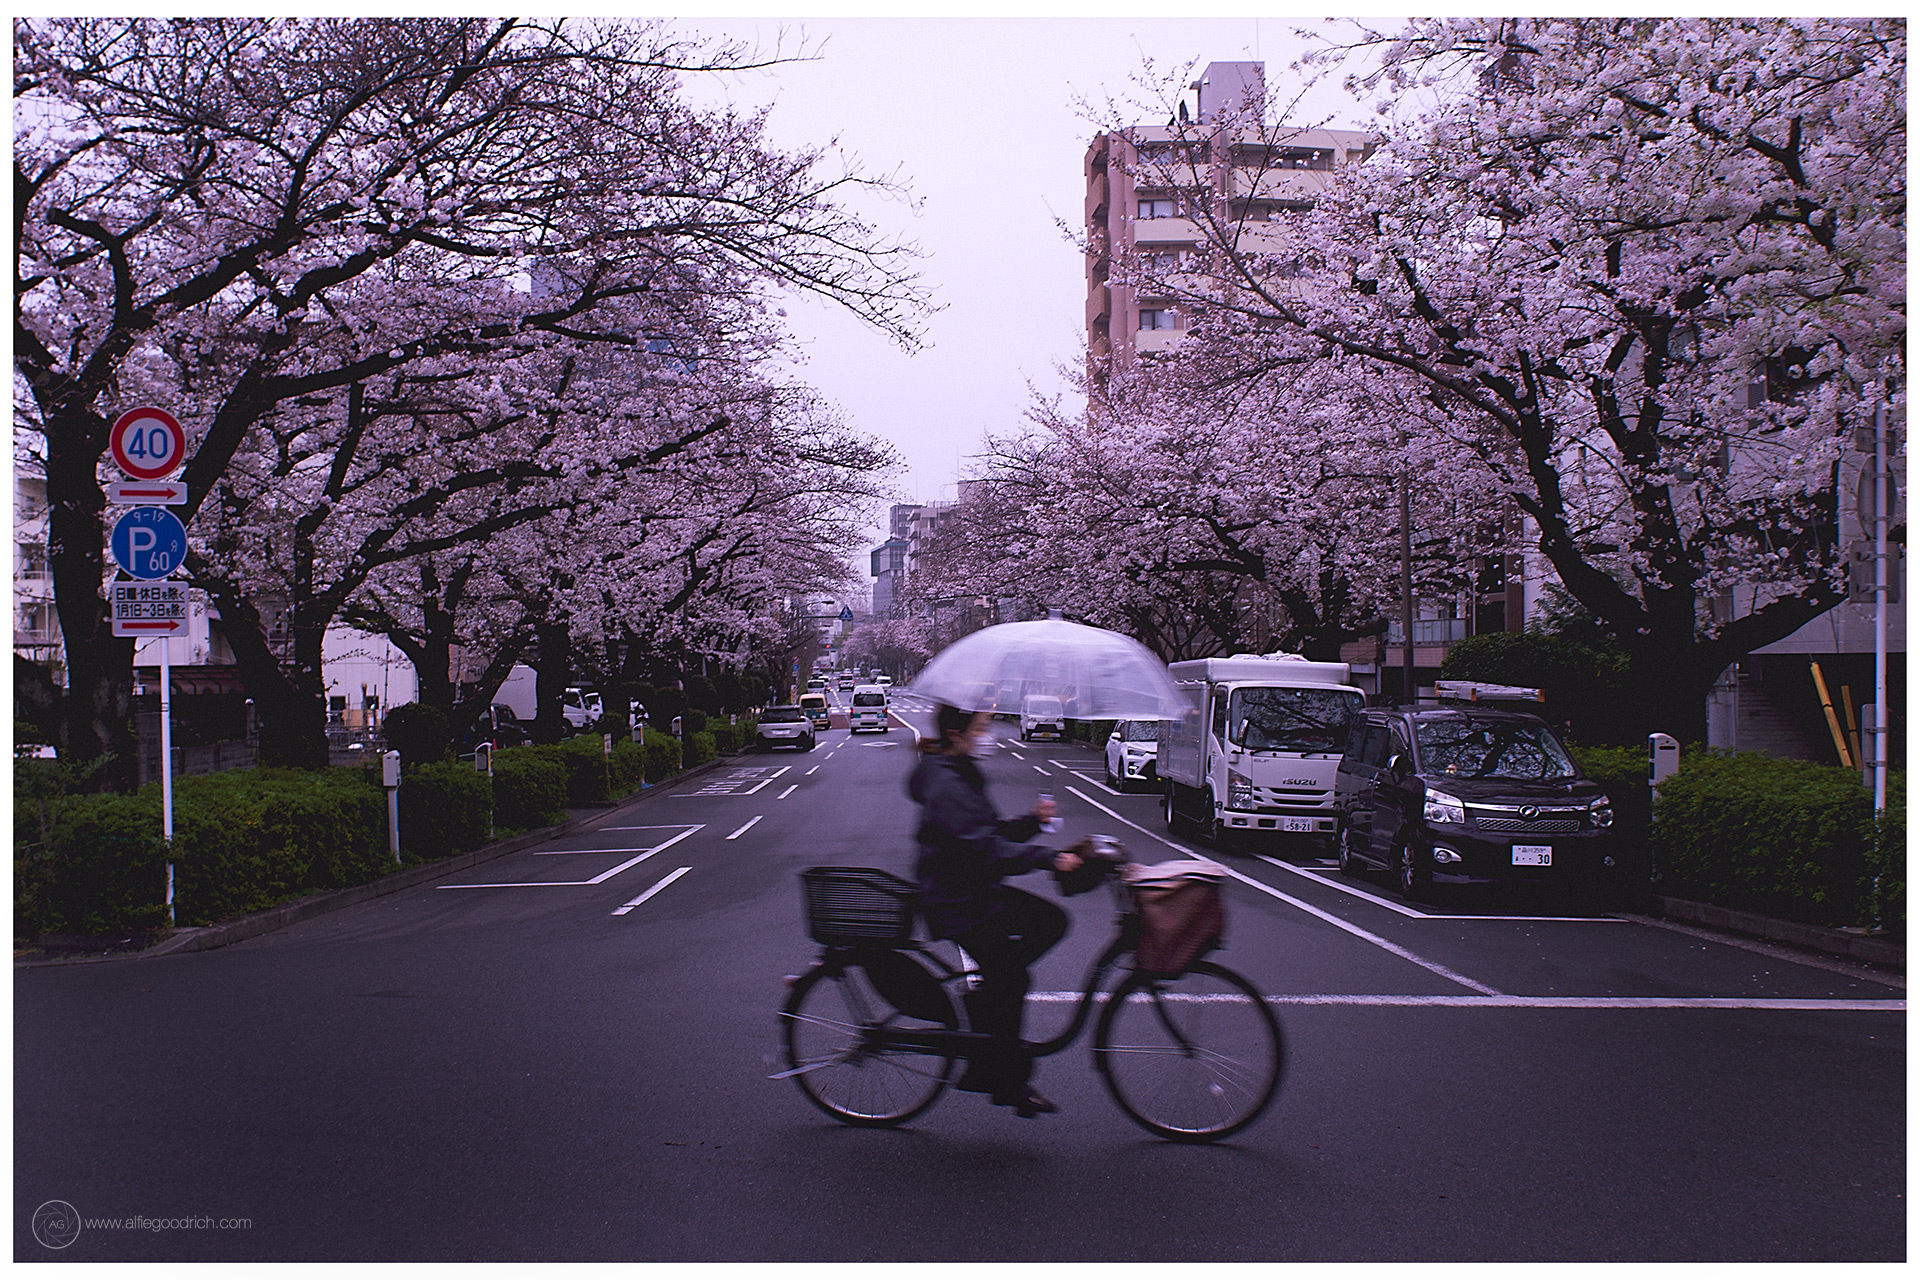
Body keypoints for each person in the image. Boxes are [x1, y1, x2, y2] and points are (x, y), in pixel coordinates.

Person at [907, 702, 1083, 1117]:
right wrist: (1047, 858)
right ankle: (1002, 1078)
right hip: (955, 900)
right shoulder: (946, 783)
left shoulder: (957, 771)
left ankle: (990, 1003)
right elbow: (984, 848)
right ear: (956, 735)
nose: (988, 735)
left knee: (1049, 923)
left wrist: (1032, 822)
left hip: (969, 890)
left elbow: (989, 834)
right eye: (982, 727)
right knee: (1013, 974)